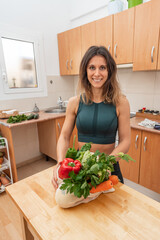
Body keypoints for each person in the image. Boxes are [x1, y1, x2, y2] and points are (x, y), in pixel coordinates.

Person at [52, 46, 131, 189]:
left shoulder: (121, 102)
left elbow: (126, 141)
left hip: (109, 168)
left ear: (109, 71)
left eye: (102, 68)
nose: (97, 73)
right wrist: (60, 163)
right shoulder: (74, 102)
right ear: (85, 71)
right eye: (92, 67)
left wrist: (108, 163)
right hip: (80, 169)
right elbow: (64, 136)